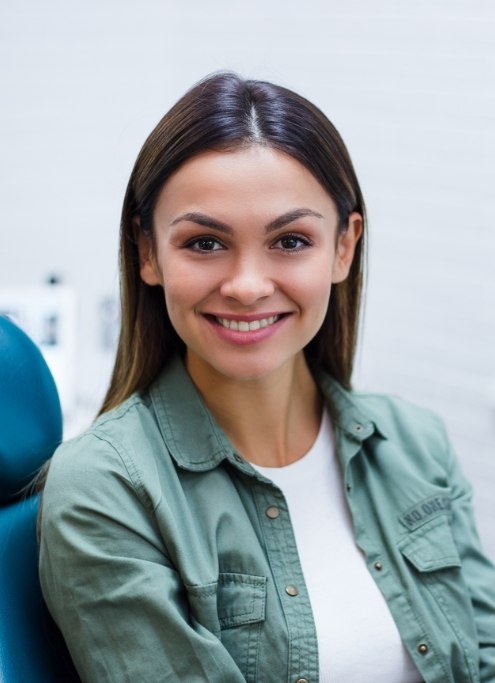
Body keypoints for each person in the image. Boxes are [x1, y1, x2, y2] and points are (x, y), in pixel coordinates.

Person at [38, 72, 495, 683]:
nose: (248, 285)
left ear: (343, 247)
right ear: (148, 252)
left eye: (289, 240)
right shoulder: (103, 487)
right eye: (204, 243)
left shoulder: (415, 441)